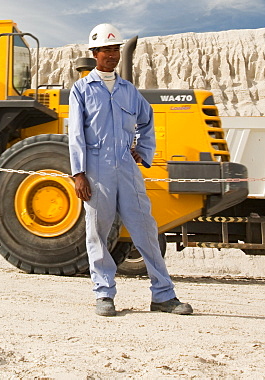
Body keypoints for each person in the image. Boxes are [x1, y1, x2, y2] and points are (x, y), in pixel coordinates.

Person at [69, 23, 193, 316]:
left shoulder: (128, 91)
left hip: (126, 166)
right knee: (98, 233)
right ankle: (104, 295)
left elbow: (147, 121)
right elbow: (75, 133)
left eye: (115, 50)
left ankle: (163, 295)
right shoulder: (82, 90)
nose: (111, 55)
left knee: (146, 230)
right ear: (95, 53)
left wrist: (143, 151)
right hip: (96, 169)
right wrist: (78, 174)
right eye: (106, 50)